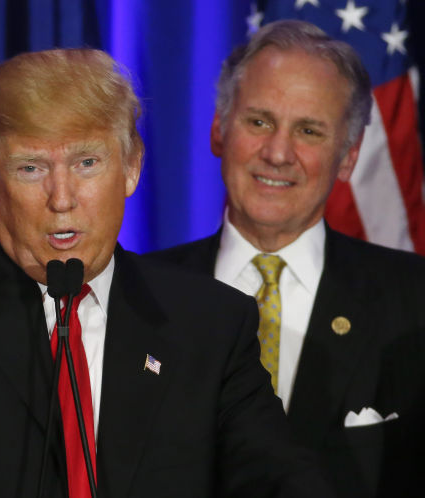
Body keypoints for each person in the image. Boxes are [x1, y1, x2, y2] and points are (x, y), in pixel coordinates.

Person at [0, 48, 333, 497]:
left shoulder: (206, 324)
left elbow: (276, 475)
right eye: (30, 168)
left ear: (132, 167)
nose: (62, 198)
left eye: (87, 162)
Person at [152, 20, 425, 498]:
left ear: (348, 156)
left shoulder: (415, 303)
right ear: (219, 129)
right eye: (258, 121)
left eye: (309, 131)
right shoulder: (139, 294)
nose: (278, 152)